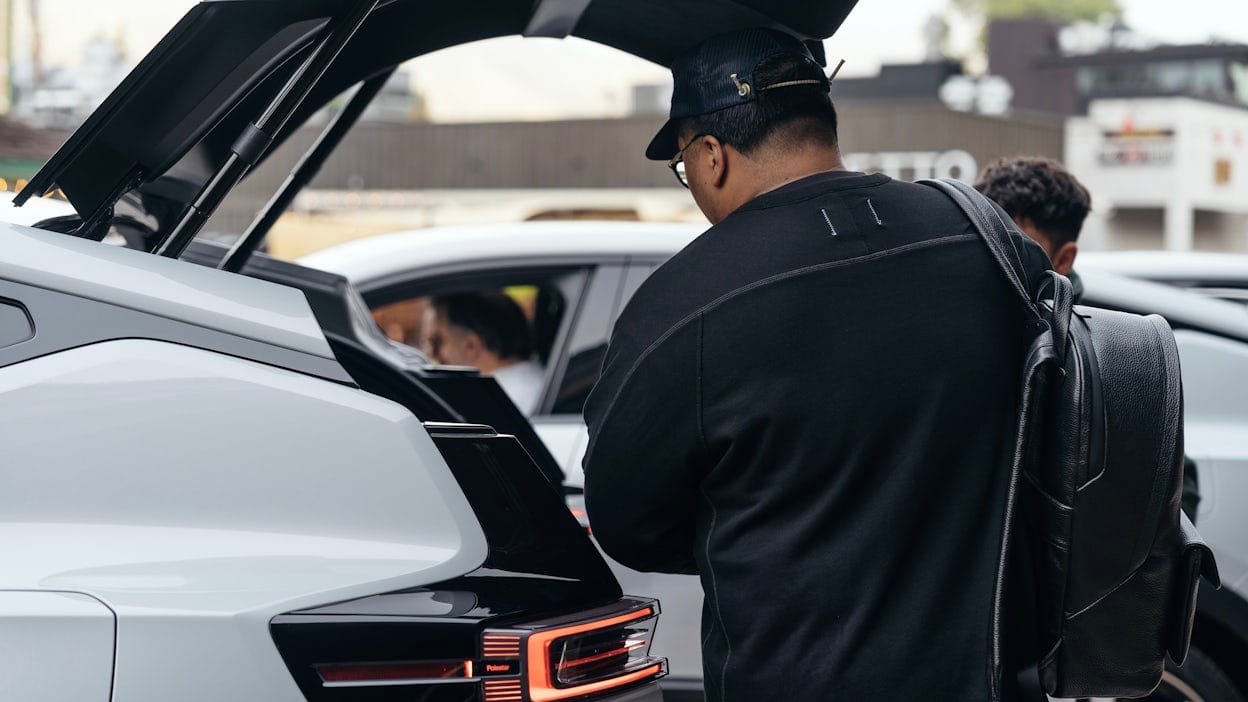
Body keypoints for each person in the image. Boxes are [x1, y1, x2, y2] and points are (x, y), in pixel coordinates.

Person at [582, 28, 1051, 702]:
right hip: (995, 678)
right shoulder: (981, 237)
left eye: (684, 165)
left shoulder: (684, 304)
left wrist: (761, 515)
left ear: (712, 155)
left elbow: (626, 518)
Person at [975, 156, 1200, 521]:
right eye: (987, 244)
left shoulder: (1110, 348)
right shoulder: (960, 324)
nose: (997, 262)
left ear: (1064, 259)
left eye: (1018, 251)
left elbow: (1175, 485)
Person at [421, 291, 545, 414]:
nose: (430, 354)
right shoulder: (535, 383)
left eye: (437, 342)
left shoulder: (497, 403)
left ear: (471, 346)